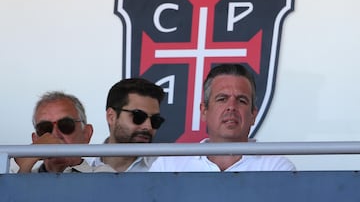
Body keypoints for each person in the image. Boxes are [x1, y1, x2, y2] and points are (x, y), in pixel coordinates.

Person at [150, 63, 296, 171]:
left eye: (241, 100)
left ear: (253, 115)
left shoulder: (276, 168)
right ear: (204, 111)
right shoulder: (168, 166)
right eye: (222, 99)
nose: (231, 106)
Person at [11, 91, 115, 173]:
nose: (55, 134)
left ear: (86, 134)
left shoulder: (106, 177)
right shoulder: (22, 176)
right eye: (45, 128)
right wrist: (27, 162)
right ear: (35, 140)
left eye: (66, 125)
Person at [90, 78, 165, 172]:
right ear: (111, 117)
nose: (148, 126)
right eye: (138, 117)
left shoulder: (169, 167)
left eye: (155, 120)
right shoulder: (84, 166)